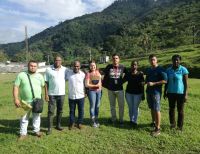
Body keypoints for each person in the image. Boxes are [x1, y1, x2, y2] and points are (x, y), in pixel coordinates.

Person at [13, 60, 45, 140]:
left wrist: (46, 96)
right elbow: (16, 87)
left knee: (37, 116)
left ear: (37, 67)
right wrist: (16, 99)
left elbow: (44, 86)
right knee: (24, 118)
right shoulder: (21, 75)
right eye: (31, 65)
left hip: (37, 101)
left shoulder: (40, 76)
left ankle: (36, 131)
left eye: (34, 66)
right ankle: (23, 133)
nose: (33, 67)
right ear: (28, 66)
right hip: (24, 101)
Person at [164, 54, 189, 131]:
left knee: (180, 110)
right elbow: (166, 82)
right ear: (172, 61)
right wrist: (165, 91)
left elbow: (186, 83)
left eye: (177, 60)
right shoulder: (168, 70)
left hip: (180, 94)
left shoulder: (183, 70)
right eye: (174, 60)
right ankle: (172, 124)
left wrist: (186, 94)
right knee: (171, 109)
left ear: (180, 61)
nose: (175, 61)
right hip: (171, 93)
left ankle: (180, 126)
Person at [44, 56, 67, 135]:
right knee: (51, 111)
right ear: (54, 61)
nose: (57, 61)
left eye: (59, 60)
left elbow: (72, 74)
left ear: (61, 61)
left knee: (60, 110)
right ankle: (49, 128)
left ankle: (58, 125)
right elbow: (46, 83)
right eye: (56, 60)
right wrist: (46, 94)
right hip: (52, 94)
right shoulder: (48, 69)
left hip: (61, 94)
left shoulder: (65, 69)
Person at [146, 54, 167, 136]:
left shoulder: (161, 69)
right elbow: (147, 79)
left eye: (154, 59)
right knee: (151, 108)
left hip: (156, 92)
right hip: (148, 91)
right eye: (151, 60)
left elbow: (165, 81)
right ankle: (154, 122)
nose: (152, 61)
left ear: (156, 60)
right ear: (149, 61)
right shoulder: (148, 69)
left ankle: (158, 128)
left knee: (157, 109)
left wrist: (154, 83)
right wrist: (144, 83)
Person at [102, 53, 127, 125]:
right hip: (110, 90)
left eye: (116, 58)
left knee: (121, 106)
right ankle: (113, 119)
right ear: (112, 59)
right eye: (113, 58)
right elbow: (103, 74)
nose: (115, 60)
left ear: (119, 59)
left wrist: (122, 81)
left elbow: (127, 75)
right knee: (112, 106)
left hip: (120, 90)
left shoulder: (122, 67)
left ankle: (121, 120)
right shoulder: (109, 67)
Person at [123, 60, 145, 127]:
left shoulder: (140, 74)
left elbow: (142, 84)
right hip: (128, 93)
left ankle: (134, 121)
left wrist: (143, 94)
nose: (134, 66)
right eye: (132, 65)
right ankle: (131, 120)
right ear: (131, 66)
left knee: (135, 107)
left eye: (135, 65)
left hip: (138, 94)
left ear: (137, 66)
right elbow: (122, 81)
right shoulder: (128, 73)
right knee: (130, 107)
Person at [66, 61, 86, 130]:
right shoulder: (68, 74)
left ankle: (79, 123)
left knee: (81, 110)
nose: (76, 67)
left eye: (77, 66)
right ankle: (72, 123)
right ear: (72, 66)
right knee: (72, 111)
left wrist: (85, 92)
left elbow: (85, 84)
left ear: (79, 66)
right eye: (75, 66)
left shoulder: (83, 74)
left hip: (80, 96)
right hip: (71, 96)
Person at [85, 60, 102, 127]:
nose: (93, 67)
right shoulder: (88, 74)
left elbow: (100, 81)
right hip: (92, 92)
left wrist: (99, 87)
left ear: (96, 66)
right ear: (89, 66)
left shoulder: (98, 72)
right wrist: (95, 86)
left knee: (97, 106)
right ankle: (93, 121)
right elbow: (86, 85)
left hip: (99, 91)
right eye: (91, 65)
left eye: (94, 65)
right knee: (92, 106)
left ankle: (96, 119)